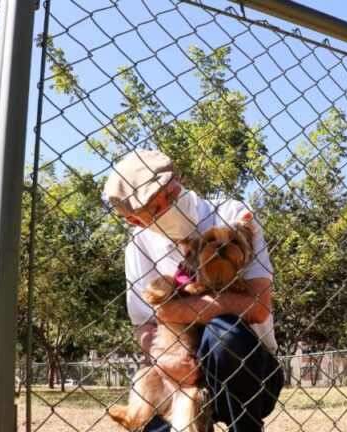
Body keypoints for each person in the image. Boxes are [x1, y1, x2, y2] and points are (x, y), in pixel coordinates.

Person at [103, 149, 284, 432]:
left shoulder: (231, 214)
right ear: (136, 220)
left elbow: (258, 308)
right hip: (177, 376)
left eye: (170, 192)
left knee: (224, 331)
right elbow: (144, 325)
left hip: (249, 372)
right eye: (155, 207)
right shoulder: (139, 247)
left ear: (178, 178)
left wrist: (171, 309)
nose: (170, 205)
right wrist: (166, 360)